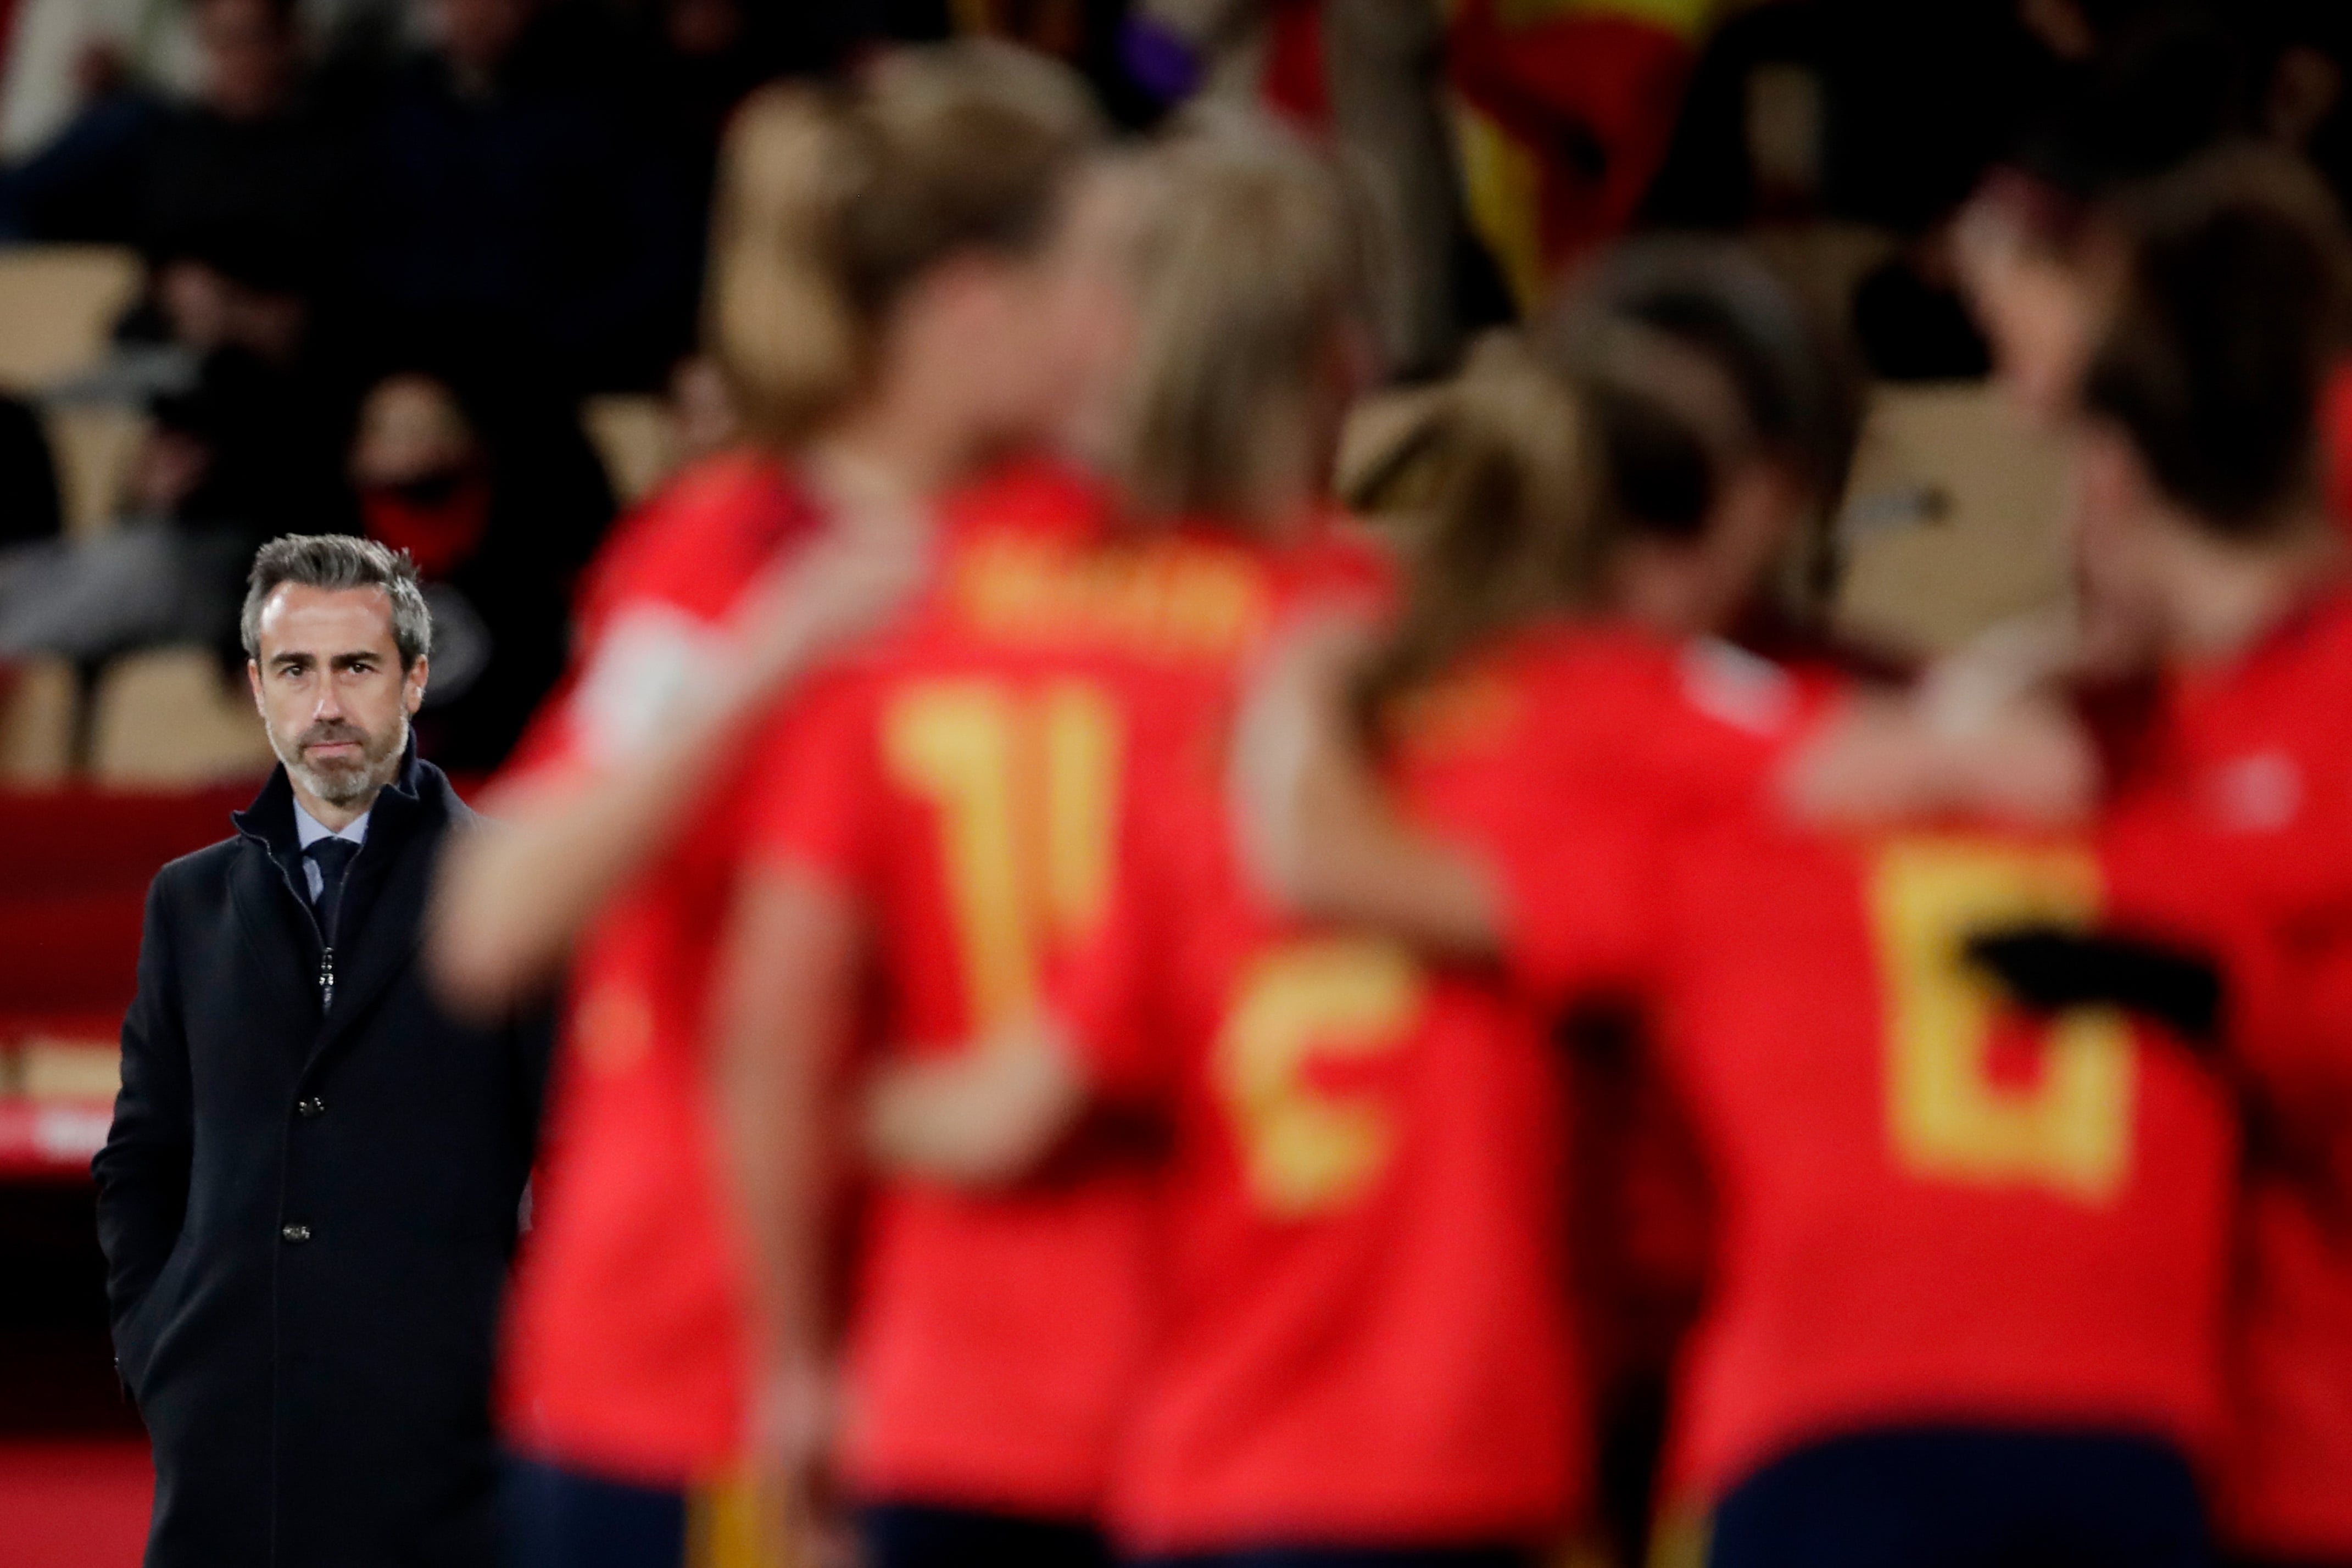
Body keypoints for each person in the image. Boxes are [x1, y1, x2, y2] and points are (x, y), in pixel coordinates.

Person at [1209, 239, 2230, 1568]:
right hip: (1622, 1359)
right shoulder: (1758, 747)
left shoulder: (1405, 704)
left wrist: (1295, 695)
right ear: (1765, 492)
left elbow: (1318, 857)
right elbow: (2015, 770)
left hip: (1340, 1381)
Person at [423, 41, 1118, 1568]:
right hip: (696, 1369)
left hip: (1019, 1376)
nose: (1121, 327)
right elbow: (497, 918)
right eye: (1094, 276)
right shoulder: (727, 553)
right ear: (968, 302)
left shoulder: (1104, 555)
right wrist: (765, 667)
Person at [718, 122, 1395, 1568]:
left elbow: (781, 1015)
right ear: (1346, 354)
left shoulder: (910, 592)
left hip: (970, 1379)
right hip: (1303, 1386)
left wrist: (797, 1360)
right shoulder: (1371, 639)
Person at [1977, 147, 2352, 1568]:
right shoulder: (2116, 740)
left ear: (2117, 474)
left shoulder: (2312, 717)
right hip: (2174, 1446)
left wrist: (2204, 1001)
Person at [91, 534, 551, 1567]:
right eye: (296, 670)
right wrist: (156, 1344)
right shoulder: (189, 900)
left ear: (414, 678)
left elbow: (574, 1153)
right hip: (225, 1431)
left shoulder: (514, 888)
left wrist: (524, 1361)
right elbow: (142, 1155)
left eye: (358, 667)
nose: (327, 703)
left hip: (448, 1435)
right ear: (257, 688)